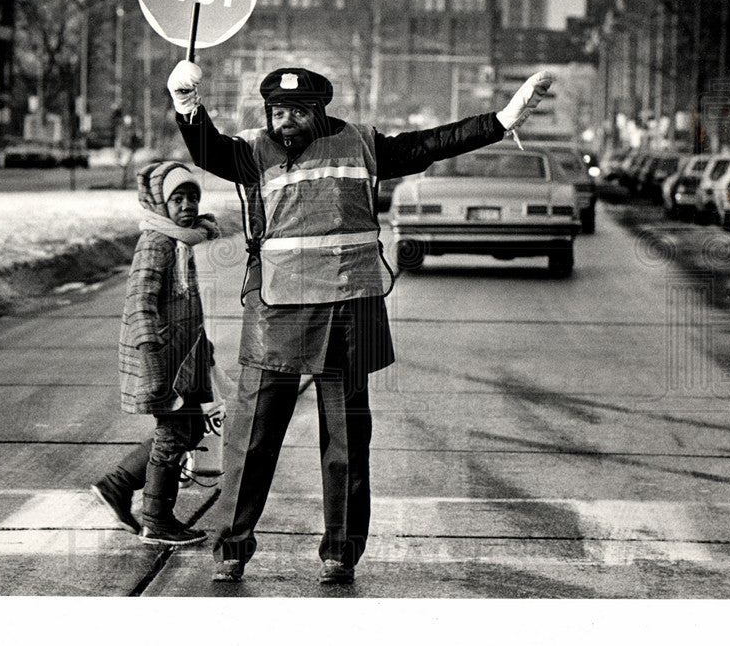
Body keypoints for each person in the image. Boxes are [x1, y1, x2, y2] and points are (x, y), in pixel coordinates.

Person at [166, 60, 552, 582]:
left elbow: (430, 144)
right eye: (277, 112)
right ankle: (231, 551)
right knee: (250, 437)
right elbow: (208, 149)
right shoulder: (252, 150)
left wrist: (501, 120)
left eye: (296, 113)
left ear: (320, 113)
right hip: (276, 310)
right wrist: (188, 108)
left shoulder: (362, 144)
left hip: (351, 307)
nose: (285, 123)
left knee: (347, 441)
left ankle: (339, 554)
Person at [91, 160, 220, 546]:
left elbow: (182, 302)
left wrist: (203, 346)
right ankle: (157, 519)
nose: (187, 206)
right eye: (177, 199)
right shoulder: (157, 243)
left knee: (191, 426)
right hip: (161, 357)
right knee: (176, 431)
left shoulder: (179, 240)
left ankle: (118, 485)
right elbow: (139, 304)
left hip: (184, 356)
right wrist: (152, 360)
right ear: (160, 205)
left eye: (192, 197)